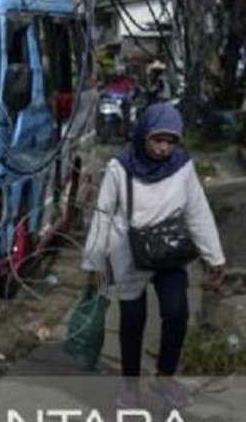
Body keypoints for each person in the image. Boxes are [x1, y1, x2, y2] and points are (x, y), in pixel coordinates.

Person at [81, 103, 226, 408]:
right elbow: (103, 214)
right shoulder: (120, 167)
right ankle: (131, 386)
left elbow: (197, 210)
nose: (163, 148)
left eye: (171, 141)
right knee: (132, 320)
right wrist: (94, 262)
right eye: (157, 139)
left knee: (177, 313)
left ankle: (164, 376)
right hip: (128, 251)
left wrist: (215, 257)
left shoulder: (183, 166)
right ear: (143, 134)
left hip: (170, 250)